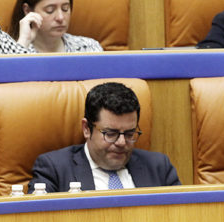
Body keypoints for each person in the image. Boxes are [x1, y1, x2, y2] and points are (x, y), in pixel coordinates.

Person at [28, 82, 180, 192]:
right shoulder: (54, 169)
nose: (121, 142)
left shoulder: (159, 167)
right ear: (86, 129)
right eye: (111, 134)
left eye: (129, 133)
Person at [10, 0, 103, 53]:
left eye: (65, 8)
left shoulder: (89, 49)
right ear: (28, 10)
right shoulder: (11, 51)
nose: (60, 17)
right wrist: (23, 44)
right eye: (50, 10)